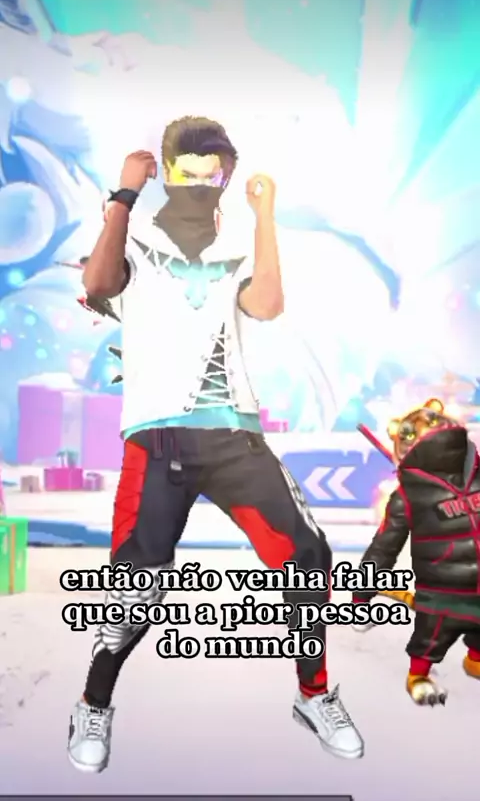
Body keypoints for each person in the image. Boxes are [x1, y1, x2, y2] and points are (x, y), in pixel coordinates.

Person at [67, 116, 364, 772]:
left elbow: (268, 304)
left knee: (307, 556)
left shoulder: (234, 240)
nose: (201, 184)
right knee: (135, 592)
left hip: (234, 435)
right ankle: (93, 703)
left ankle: (313, 694)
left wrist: (265, 216)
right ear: (169, 173)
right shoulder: (133, 234)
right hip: (158, 437)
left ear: (225, 177)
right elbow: (97, 284)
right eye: (188, 172)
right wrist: (124, 194)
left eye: (213, 174)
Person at [353, 398, 480, 706]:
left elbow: (383, 549)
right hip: (442, 594)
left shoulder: (408, 494)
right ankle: (452, 666)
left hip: (441, 594)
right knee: (434, 636)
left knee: (432, 638)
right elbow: (384, 548)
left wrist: (361, 598)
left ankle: (422, 676)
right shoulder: (411, 492)